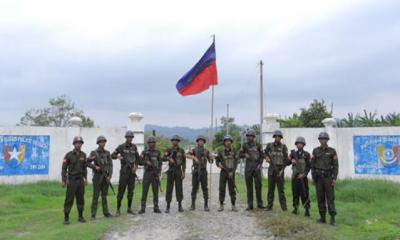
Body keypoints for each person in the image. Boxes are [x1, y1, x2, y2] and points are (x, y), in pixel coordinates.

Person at [311, 132, 339, 226]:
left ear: (327, 140)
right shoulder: (315, 151)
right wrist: (313, 178)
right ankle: (322, 217)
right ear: (319, 140)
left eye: (325, 139)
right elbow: (312, 165)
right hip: (318, 178)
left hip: (328, 178)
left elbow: (335, 166)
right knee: (320, 197)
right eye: (321, 139)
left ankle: (332, 218)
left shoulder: (332, 151)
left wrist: (334, 178)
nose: (323, 140)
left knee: (330, 198)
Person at [111, 130, 140, 216]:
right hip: (124, 172)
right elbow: (112, 155)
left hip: (132, 173)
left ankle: (129, 209)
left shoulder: (134, 147)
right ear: (126, 138)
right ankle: (118, 209)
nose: (130, 139)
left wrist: (136, 167)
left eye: (131, 137)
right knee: (121, 191)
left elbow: (137, 158)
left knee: (131, 191)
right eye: (128, 137)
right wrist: (118, 156)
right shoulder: (121, 147)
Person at [61, 136, 88, 224]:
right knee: (69, 199)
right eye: (77, 143)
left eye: (80, 143)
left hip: (80, 180)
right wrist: (64, 180)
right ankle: (66, 218)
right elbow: (64, 169)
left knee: (80, 199)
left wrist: (86, 178)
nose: (79, 144)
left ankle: (80, 216)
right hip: (71, 180)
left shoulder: (83, 155)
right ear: (74, 144)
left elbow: (85, 168)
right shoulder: (68, 155)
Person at [87, 136, 113, 219]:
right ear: (98, 143)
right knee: (96, 196)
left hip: (105, 176)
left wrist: (110, 176)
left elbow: (110, 165)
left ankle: (106, 213)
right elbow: (87, 163)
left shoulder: (107, 153)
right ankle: (93, 214)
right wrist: (94, 167)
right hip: (97, 177)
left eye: (104, 142)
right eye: (101, 142)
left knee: (104, 196)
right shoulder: (93, 153)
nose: (103, 143)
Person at [265, 130, 290, 211]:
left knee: (281, 190)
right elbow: (264, 152)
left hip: (280, 170)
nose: (277, 138)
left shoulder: (284, 147)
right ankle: (269, 206)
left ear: (281, 138)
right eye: (276, 136)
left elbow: (286, 160)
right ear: (274, 137)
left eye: (279, 137)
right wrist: (267, 157)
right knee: (270, 189)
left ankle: (284, 208)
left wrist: (282, 170)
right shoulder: (269, 145)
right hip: (271, 170)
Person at [186, 135, 213, 211]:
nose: (201, 142)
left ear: (204, 142)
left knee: (205, 188)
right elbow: (186, 155)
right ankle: (192, 204)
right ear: (197, 142)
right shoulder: (193, 150)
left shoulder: (206, 151)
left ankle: (206, 205)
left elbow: (211, 162)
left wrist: (211, 157)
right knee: (194, 188)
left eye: (202, 141)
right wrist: (194, 157)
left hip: (203, 171)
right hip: (196, 171)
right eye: (199, 141)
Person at [239, 129, 265, 210]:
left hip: (256, 168)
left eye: (251, 136)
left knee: (258, 186)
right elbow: (239, 154)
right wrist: (244, 155)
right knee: (249, 187)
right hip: (248, 169)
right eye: (248, 136)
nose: (249, 137)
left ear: (254, 137)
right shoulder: (244, 145)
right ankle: (250, 205)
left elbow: (262, 156)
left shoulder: (258, 145)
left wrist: (260, 165)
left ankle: (260, 204)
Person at [138, 136, 162, 214]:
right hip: (147, 174)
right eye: (150, 143)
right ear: (148, 144)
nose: (152, 144)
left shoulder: (158, 152)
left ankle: (156, 207)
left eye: (153, 143)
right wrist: (146, 162)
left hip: (155, 174)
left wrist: (159, 172)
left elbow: (160, 163)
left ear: (155, 144)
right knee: (144, 192)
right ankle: (142, 208)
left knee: (155, 192)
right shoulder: (144, 152)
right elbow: (139, 162)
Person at [163, 135, 186, 213]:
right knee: (169, 188)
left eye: (176, 140)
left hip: (178, 170)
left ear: (178, 141)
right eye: (173, 140)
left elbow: (184, 162)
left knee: (179, 188)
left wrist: (184, 172)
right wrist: (169, 158)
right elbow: (163, 157)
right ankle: (168, 206)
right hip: (171, 170)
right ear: (172, 141)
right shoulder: (169, 149)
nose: (175, 141)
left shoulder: (181, 150)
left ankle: (180, 205)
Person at [288, 136, 311, 216]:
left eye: (301, 144)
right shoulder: (293, 153)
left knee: (305, 193)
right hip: (295, 176)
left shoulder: (307, 154)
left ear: (303, 145)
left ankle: (307, 210)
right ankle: (295, 208)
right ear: (296, 145)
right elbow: (287, 161)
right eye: (298, 144)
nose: (299, 145)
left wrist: (304, 174)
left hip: (303, 177)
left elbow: (309, 166)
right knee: (295, 193)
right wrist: (291, 160)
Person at [216, 135, 239, 212]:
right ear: (224, 142)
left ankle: (233, 205)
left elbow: (236, 162)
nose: (228, 142)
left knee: (232, 189)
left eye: (229, 141)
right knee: (222, 188)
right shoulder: (221, 152)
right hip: (223, 172)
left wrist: (232, 172)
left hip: (231, 172)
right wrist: (219, 164)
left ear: (231, 142)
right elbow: (217, 161)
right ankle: (221, 205)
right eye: (226, 141)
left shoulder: (234, 151)